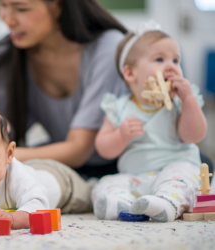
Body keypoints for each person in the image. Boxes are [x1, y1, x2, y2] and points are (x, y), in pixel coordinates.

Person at [0, 0, 128, 178]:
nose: (8, 19)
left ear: (57, 7)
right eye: (2, 5)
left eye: (21, 8)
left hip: (119, 171)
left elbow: (78, 150)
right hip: (62, 168)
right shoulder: (2, 58)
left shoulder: (108, 47)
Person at [91, 22, 207, 222]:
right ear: (130, 73)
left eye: (176, 60)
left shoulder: (181, 101)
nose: (171, 66)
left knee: (181, 180)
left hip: (175, 167)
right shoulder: (117, 106)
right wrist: (120, 136)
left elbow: (194, 136)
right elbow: (103, 148)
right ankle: (122, 203)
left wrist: (188, 100)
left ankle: (166, 203)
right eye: (160, 59)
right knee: (106, 183)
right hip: (136, 176)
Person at [0, 106, 93, 229]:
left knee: (89, 195)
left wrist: (13, 218)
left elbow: (38, 207)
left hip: (61, 180)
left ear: (9, 153)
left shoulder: (18, 177)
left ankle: (95, 185)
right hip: (31, 168)